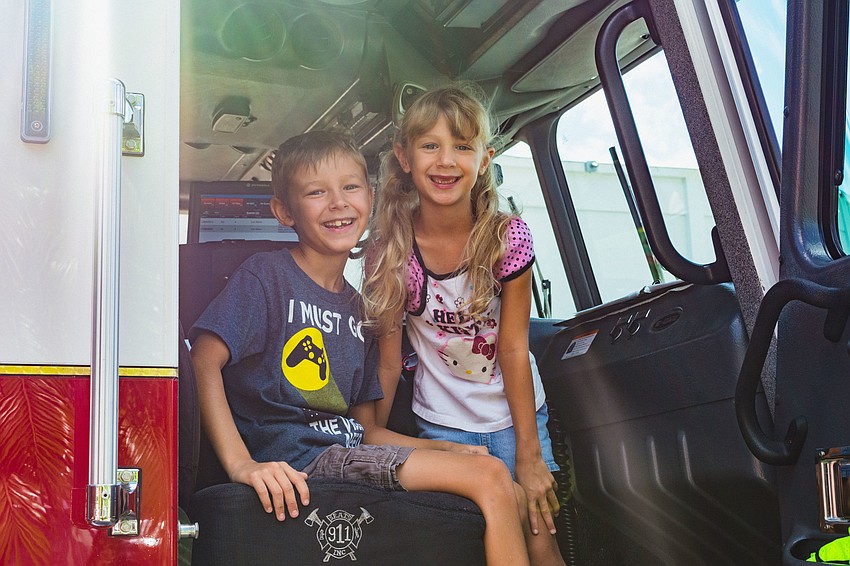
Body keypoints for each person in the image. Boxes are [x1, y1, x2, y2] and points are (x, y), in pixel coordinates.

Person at [189, 130, 530, 566]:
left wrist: (447, 450)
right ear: (284, 212)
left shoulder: (360, 310)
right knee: (491, 478)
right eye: (316, 192)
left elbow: (365, 430)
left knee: (512, 492)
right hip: (303, 459)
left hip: (349, 453)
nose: (338, 203)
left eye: (350, 187)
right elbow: (203, 357)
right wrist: (241, 464)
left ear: (369, 197)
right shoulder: (266, 278)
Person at [362, 85, 565, 565]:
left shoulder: (504, 238)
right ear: (404, 157)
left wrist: (529, 455)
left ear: (484, 157)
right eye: (430, 145)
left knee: (540, 536)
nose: (446, 160)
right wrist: (369, 438)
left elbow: (514, 348)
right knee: (470, 544)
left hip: (516, 419)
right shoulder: (393, 249)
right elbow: (389, 362)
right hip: (442, 425)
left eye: (462, 146)